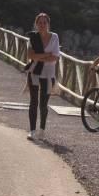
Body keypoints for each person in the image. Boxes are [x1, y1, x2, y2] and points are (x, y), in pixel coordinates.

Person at [25, 12, 60, 141]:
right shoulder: (33, 37)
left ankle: (42, 129)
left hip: (48, 73)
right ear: (36, 24)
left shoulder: (54, 37)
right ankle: (32, 130)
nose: (42, 25)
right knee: (33, 101)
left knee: (43, 104)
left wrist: (38, 56)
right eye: (40, 23)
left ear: (48, 24)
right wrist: (46, 55)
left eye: (44, 22)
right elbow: (30, 55)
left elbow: (55, 56)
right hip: (34, 71)